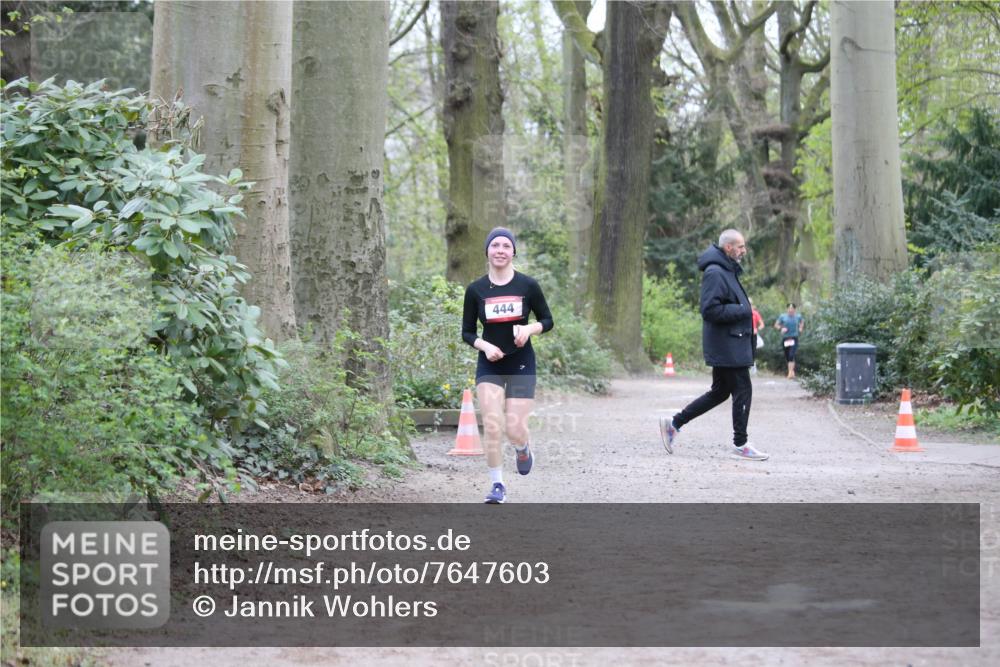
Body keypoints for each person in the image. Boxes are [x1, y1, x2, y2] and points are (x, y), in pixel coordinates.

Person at [658, 229, 769, 461]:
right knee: (743, 389)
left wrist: (742, 309)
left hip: (731, 343)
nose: (744, 251)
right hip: (728, 346)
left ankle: (674, 423)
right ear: (728, 247)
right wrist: (743, 309)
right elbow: (709, 310)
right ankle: (741, 443)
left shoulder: (727, 270)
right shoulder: (716, 272)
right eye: (740, 246)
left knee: (720, 392)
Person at [462, 227, 554, 503]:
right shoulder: (475, 289)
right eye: (495, 246)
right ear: (487, 252)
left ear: (513, 251)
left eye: (505, 246)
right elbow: (467, 332)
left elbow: (548, 320)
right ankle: (497, 485)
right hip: (489, 364)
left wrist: (530, 329)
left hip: (522, 363)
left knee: (514, 429)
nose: (500, 250)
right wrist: (485, 346)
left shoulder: (527, 285)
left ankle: (523, 447)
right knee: (492, 424)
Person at [774, 303, 804, 379]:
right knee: (788, 356)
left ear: (794, 309)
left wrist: (800, 328)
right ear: (787, 309)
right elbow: (776, 325)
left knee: (791, 354)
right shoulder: (782, 316)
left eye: (792, 308)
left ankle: (790, 372)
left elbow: (801, 322)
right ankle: (792, 372)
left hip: (794, 338)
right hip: (786, 338)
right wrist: (781, 328)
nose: (790, 310)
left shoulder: (798, 316)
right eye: (789, 308)